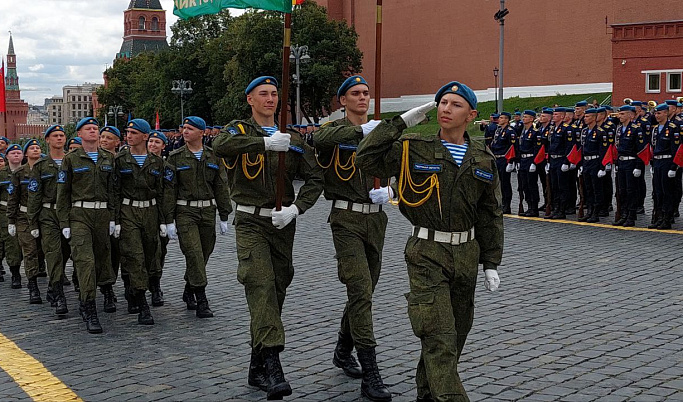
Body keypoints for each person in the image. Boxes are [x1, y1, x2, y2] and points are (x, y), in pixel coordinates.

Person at [356, 81, 503, 402]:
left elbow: (491, 213)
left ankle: (427, 394)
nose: (446, 109)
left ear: (471, 115)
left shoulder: (482, 156)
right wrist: (400, 122)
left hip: (466, 254)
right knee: (439, 337)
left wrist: (490, 263)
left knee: (455, 337)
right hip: (427, 253)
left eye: (455, 104)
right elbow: (365, 157)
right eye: (442, 102)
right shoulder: (414, 148)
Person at [212, 76, 323, 400]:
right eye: (264, 94)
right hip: (249, 221)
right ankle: (274, 366)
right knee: (260, 284)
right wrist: (263, 144)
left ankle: (255, 365)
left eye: (275, 94)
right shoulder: (238, 130)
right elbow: (221, 146)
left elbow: (316, 177)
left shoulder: (292, 137)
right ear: (250, 99)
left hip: (282, 224)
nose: (271, 99)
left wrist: (297, 209)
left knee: (274, 292)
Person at [313, 75, 392, 401]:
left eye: (366, 93)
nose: (363, 98)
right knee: (360, 289)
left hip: (376, 220)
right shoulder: (334, 131)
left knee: (365, 290)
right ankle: (370, 372)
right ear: (342, 100)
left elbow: (396, 165)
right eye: (355, 94)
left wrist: (390, 189)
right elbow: (319, 139)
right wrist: (361, 131)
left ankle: (343, 349)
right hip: (345, 219)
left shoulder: (380, 132)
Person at [164, 116, 232, 318]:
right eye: (184, 128)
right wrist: (168, 220)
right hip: (185, 212)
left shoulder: (213, 157)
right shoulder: (175, 158)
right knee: (193, 253)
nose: (185, 131)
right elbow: (169, 191)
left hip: (207, 212)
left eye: (190, 128)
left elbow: (221, 186)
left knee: (203, 254)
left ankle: (189, 289)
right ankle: (202, 299)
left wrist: (224, 214)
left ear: (202, 133)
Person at [57, 117, 117, 334]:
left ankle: (105, 291)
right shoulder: (71, 159)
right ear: (80, 134)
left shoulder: (108, 158)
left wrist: (113, 218)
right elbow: (62, 193)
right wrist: (64, 221)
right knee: (85, 260)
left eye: (95, 129)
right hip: (79, 214)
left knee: (102, 258)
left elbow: (113, 191)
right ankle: (88, 305)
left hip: (102, 214)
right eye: (88, 129)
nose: (93, 132)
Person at [114, 119, 169, 325]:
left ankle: (134, 289)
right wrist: (116, 219)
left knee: (149, 255)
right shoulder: (120, 160)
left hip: (151, 211)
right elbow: (115, 191)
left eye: (134, 133)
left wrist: (164, 221)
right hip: (128, 210)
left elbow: (163, 192)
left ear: (145, 136)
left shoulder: (157, 163)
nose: (129, 136)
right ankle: (143, 303)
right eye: (128, 132)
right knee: (135, 254)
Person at [27, 125, 72, 315]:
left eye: (62, 135)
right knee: (53, 254)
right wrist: (33, 222)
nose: (59, 138)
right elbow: (34, 195)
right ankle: (59, 293)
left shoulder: (73, 161)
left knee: (66, 250)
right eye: (55, 135)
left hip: (70, 214)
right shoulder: (40, 166)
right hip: (48, 215)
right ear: (48, 140)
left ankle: (54, 286)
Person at [7, 139, 43, 304]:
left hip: (44, 216)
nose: (35, 150)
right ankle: (33, 285)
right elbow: (13, 199)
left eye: (38, 147)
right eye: (32, 148)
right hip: (24, 217)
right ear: (26, 153)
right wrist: (11, 220)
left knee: (48, 251)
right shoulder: (19, 173)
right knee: (30, 251)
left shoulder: (48, 169)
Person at [648, 104, 680, 229]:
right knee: (657, 191)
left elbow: (676, 149)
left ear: (666, 113)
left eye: (659, 113)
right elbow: (653, 147)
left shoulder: (672, 128)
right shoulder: (655, 129)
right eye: (655, 113)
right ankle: (659, 216)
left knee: (667, 191)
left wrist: (673, 167)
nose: (657, 116)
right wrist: (652, 164)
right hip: (657, 162)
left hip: (667, 162)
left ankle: (667, 218)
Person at [613, 105, 645, 227]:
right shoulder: (620, 129)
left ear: (631, 115)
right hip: (621, 162)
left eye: (623, 114)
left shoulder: (637, 129)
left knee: (631, 190)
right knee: (622, 190)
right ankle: (624, 214)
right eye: (619, 114)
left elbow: (640, 150)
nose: (620, 116)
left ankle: (631, 216)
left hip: (631, 162)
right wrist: (616, 163)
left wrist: (638, 166)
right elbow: (618, 148)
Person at [577, 109, 608, 223]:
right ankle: (589, 211)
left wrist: (602, 167)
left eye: (588, 117)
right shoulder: (584, 131)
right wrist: (581, 164)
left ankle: (596, 212)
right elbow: (582, 149)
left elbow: (603, 151)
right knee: (588, 188)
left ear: (594, 118)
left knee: (597, 189)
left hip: (595, 162)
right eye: (585, 116)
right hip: (586, 162)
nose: (585, 118)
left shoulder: (600, 132)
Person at [147, 130, 171, 274]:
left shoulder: (166, 166)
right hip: (145, 210)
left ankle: (156, 279)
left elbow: (169, 193)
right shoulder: (140, 162)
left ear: (163, 146)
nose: (153, 145)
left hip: (162, 211)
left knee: (161, 248)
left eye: (157, 142)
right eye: (150, 141)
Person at [1, 145, 24, 288]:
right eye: (13, 153)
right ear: (7, 156)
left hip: (24, 212)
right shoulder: (2, 174)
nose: (16, 155)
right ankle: (15, 273)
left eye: (19, 152)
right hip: (5, 212)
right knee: (11, 244)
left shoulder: (28, 172)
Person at [489, 111, 516, 214]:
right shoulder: (498, 130)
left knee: (505, 183)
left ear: (507, 120)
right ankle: (500, 203)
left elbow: (512, 147)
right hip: (497, 159)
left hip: (504, 159)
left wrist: (511, 161)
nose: (499, 119)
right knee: (498, 184)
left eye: (502, 118)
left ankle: (507, 205)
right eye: (499, 118)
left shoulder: (510, 132)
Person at [517, 110, 543, 216]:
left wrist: (534, 162)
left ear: (532, 119)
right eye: (524, 117)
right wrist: (518, 161)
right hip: (523, 160)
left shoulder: (535, 131)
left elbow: (537, 148)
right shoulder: (523, 131)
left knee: (531, 184)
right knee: (524, 185)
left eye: (526, 117)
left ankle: (534, 207)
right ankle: (528, 206)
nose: (524, 119)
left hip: (530, 159)